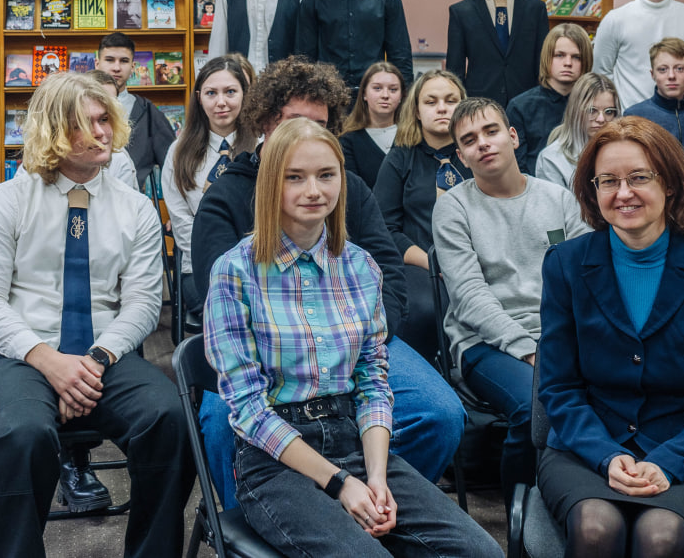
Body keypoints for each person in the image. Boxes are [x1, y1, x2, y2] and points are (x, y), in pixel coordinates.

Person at [203, 117, 501, 558]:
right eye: (295, 177)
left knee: (481, 552)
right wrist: (341, 484)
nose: (314, 190)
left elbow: (372, 382)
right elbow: (248, 409)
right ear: (270, 183)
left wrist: (376, 477)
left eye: (326, 175)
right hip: (274, 459)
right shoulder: (235, 271)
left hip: (354, 442)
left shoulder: (360, 267)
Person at [190, 56, 465, 505]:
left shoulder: (347, 186)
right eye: (293, 121)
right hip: (262, 354)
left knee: (441, 414)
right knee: (225, 425)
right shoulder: (226, 195)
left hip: (353, 340)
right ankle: (254, 521)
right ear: (265, 122)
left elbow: (388, 271)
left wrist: (356, 339)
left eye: (320, 125)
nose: (306, 134)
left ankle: (373, 500)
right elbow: (216, 297)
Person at [0, 72, 192, 557]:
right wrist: (49, 362)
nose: (102, 132)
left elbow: (143, 303)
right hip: (18, 351)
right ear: (53, 131)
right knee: (20, 435)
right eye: (85, 123)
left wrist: (92, 361)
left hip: (104, 351)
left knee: (169, 419)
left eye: (105, 120)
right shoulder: (8, 201)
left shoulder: (136, 208)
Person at [538, 117, 684, 557]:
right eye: (608, 181)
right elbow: (559, 388)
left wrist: (668, 462)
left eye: (639, 177)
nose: (623, 193)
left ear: (670, 183)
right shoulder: (565, 264)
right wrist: (604, 455)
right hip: (587, 448)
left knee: (661, 536)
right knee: (596, 528)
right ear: (593, 191)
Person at [434, 96, 592, 508]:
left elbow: (586, 281)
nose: (483, 143)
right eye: (469, 140)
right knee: (536, 405)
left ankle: (584, 503)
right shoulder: (453, 208)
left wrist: (566, 342)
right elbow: (469, 298)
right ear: (461, 156)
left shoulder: (559, 199)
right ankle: (522, 522)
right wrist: (529, 350)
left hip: (559, 334)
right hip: (484, 343)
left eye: (491, 131)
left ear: (513, 136)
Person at [372, 69, 471, 356]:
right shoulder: (399, 158)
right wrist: (433, 262)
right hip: (420, 262)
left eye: (450, 100)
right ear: (416, 111)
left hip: (475, 260)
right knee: (427, 309)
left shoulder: (477, 153)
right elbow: (384, 229)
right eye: (431, 101)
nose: (442, 108)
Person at [161, 54, 256, 316]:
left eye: (230, 92)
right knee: (228, 311)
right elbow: (181, 221)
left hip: (258, 265)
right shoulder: (178, 152)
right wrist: (217, 267)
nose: (221, 102)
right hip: (199, 268)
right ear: (199, 98)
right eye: (211, 93)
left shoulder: (261, 146)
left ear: (245, 94)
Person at [507, 23, 592, 174]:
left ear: (586, 61)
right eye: (559, 55)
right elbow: (516, 165)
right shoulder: (520, 107)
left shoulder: (594, 104)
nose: (568, 63)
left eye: (576, 57)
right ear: (547, 57)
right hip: (534, 183)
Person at [96, 32, 176, 188]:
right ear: (97, 64)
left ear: (133, 67)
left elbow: (172, 165)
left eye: (124, 61)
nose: (116, 68)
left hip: (131, 196)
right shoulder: (75, 106)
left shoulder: (148, 112)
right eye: (110, 60)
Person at [537, 73, 623, 190]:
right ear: (575, 111)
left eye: (609, 112)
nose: (601, 119)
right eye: (592, 110)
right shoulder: (552, 159)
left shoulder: (624, 153)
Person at [624, 37, 684, 151]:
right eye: (663, 69)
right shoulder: (634, 116)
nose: (671, 76)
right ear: (653, 74)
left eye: (679, 69)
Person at [339, 61, 405, 190]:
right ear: (364, 94)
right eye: (377, 88)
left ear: (401, 96)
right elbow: (353, 190)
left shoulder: (412, 137)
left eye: (393, 89)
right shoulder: (347, 141)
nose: (385, 95)